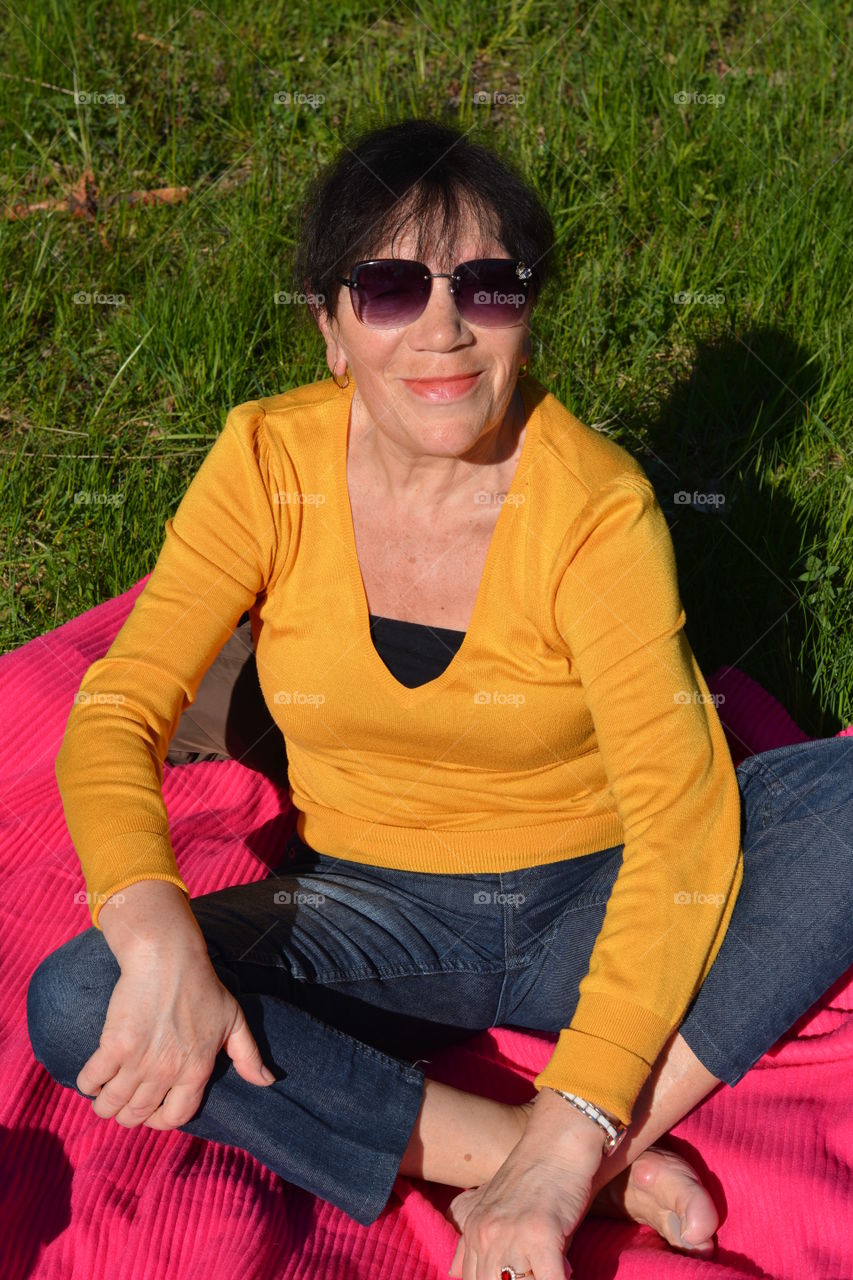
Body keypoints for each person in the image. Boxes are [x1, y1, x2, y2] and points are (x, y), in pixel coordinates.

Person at [27, 118, 853, 1280]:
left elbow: (678, 815)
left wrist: (582, 1107)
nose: (443, 326)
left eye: (487, 285)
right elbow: (119, 706)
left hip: (593, 892)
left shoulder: (596, 503)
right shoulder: (267, 461)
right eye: (389, 286)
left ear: (527, 310)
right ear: (330, 325)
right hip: (372, 910)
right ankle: (521, 1155)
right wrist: (151, 916)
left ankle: (568, 1150)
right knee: (89, 991)